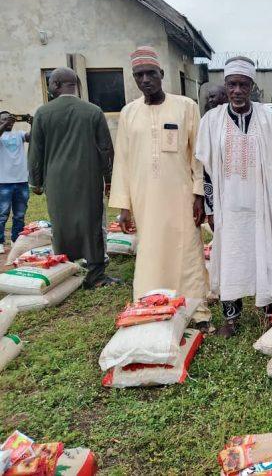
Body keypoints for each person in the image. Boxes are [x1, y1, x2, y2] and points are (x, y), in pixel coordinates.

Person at [196, 56, 272, 337]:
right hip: (228, 205)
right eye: (232, 85)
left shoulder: (269, 119)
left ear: (252, 86)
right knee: (231, 258)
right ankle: (231, 319)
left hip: (262, 204)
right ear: (226, 85)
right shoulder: (212, 121)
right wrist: (210, 208)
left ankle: (269, 312)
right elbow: (207, 169)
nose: (237, 91)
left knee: (265, 252)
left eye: (243, 85)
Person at [109, 47, 210, 328]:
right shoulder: (129, 113)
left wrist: (199, 194)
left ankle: (196, 310)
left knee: (187, 250)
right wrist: (124, 207)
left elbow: (198, 155)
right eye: (139, 75)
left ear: (161, 74)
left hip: (181, 195)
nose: (145, 80)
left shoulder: (186, 107)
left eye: (150, 73)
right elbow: (123, 161)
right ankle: (149, 307)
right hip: (144, 197)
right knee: (151, 251)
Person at [28, 67, 118, 288]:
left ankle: (66, 274)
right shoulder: (93, 111)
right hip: (89, 178)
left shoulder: (43, 113)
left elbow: (36, 152)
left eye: (50, 83)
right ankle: (96, 274)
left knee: (61, 225)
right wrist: (109, 179)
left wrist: (36, 182)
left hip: (56, 180)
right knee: (92, 223)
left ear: (56, 85)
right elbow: (106, 149)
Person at [0, 112, 31, 254]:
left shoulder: (19, 134)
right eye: (4, 119)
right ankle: (0, 242)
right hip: (3, 182)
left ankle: (16, 240)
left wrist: (34, 124)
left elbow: (32, 138)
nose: (8, 121)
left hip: (21, 181)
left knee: (19, 214)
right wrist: (5, 125)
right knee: (2, 215)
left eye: (10, 119)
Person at [203, 85, 228, 215]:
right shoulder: (206, 120)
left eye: (213, 97)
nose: (210, 100)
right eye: (209, 98)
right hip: (215, 178)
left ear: (224, 96)